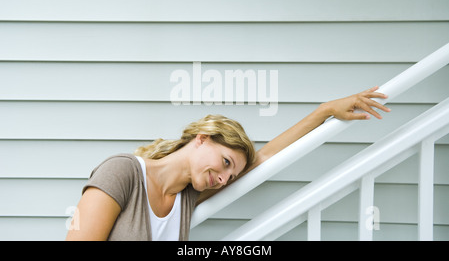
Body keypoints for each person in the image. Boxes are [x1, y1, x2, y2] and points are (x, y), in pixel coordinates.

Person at [66, 86, 390, 241]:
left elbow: (264, 158)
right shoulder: (123, 173)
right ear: (203, 137)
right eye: (224, 163)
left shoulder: (186, 197)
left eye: (230, 174)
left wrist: (324, 111)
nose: (223, 179)